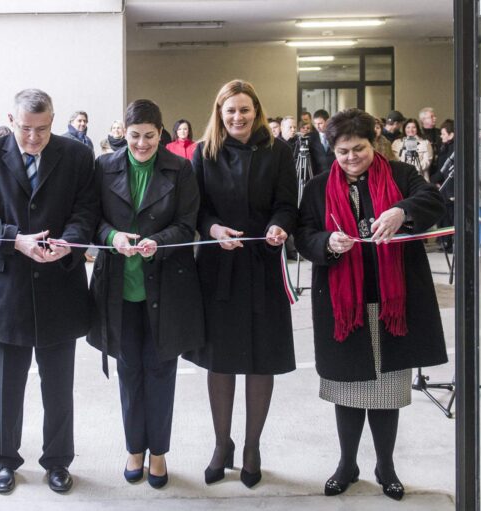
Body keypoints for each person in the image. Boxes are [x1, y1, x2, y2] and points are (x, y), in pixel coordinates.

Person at [294, 108, 447, 501]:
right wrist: (327, 242)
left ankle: (386, 466)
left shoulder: (400, 175)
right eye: (342, 151)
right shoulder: (317, 188)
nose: (351, 158)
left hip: (392, 301)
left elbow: (434, 200)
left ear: (373, 142)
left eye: (358, 149)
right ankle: (347, 464)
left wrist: (401, 210)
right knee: (346, 387)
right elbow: (303, 235)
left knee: (387, 389)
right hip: (344, 306)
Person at [0, 88, 99, 495]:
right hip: (8, 288)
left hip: (60, 286)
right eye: (26, 129)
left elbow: (87, 211)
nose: (34, 137)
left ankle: (58, 462)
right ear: (11, 120)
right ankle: (5, 461)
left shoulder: (76, 156)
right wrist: (14, 239)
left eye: (42, 129)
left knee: (58, 387)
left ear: (53, 120)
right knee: (7, 385)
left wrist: (70, 242)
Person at [184, 79, 298, 488]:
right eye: (230, 110)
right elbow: (194, 208)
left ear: (256, 111)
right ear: (220, 112)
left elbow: (288, 204)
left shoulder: (278, 151)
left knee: (261, 358)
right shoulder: (204, 152)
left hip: (262, 264)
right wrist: (213, 229)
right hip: (218, 267)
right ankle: (222, 443)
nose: (237, 117)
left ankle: (252, 446)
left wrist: (278, 226)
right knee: (221, 360)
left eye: (244, 109)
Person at [87, 99, 204, 489]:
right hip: (119, 290)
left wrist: (160, 241)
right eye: (135, 135)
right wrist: (112, 237)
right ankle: (134, 448)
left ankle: (159, 453)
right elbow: (92, 220)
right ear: (124, 132)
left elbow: (187, 224)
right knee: (129, 371)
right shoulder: (104, 166)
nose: (141, 144)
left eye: (150, 136)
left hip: (165, 287)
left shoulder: (180, 169)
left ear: (161, 133)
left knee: (161, 371)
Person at [429, 119, 456, 252]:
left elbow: (445, 169)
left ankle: (448, 242)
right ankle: (445, 241)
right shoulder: (445, 147)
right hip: (444, 187)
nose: (441, 136)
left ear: (451, 135)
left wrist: (432, 180)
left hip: (450, 189)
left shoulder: (453, 149)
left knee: (450, 216)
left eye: (443, 134)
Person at [307, 109, 336, 175]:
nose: (317, 126)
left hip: (335, 173)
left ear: (328, 121)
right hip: (318, 175)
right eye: (315, 123)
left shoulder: (335, 135)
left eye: (320, 123)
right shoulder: (310, 138)